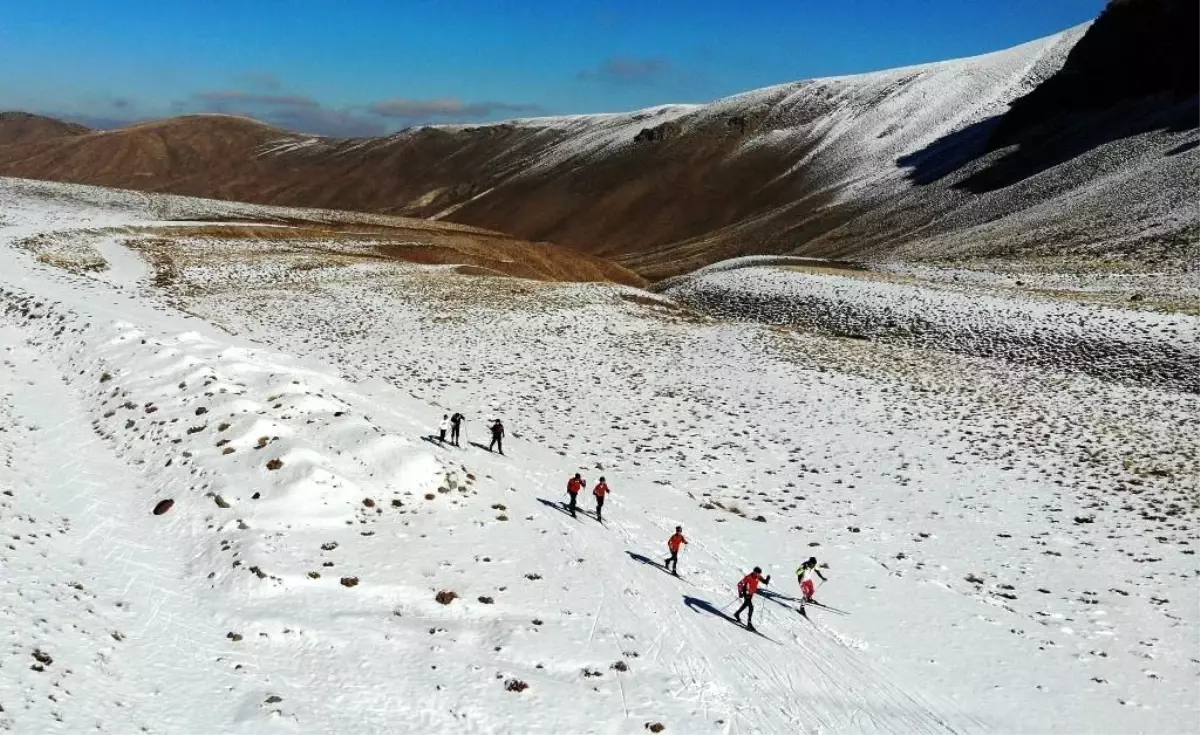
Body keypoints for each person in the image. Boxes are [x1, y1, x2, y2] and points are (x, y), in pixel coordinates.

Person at [734, 567, 771, 632]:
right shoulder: (748, 577)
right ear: (754, 572)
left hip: (750, 594)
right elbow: (739, 584)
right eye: (756, 573)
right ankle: (749, 623)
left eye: (759, 574)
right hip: (746, 593)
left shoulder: (758, 576)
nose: (758, 575)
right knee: (751, 607)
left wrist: (767, 580)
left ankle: (737, 613)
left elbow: (764, 581)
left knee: (745, 604)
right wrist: (740, 593)